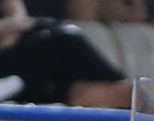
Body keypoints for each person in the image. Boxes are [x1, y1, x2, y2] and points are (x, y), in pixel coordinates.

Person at [0, 0, 132, 106]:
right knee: (62, 41)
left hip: (12, 45)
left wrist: (11, 29)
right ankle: (117, 90)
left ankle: (93, 93)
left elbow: (17, 16)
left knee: (58, 33)